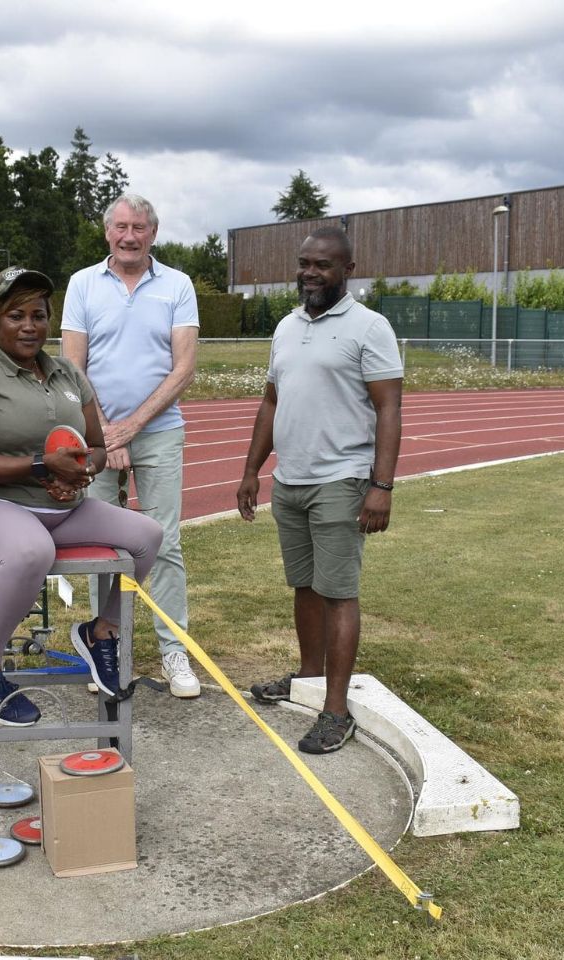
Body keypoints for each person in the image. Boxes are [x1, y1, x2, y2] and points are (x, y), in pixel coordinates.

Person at [0, 266, 164, 724]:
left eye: (38, 315)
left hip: (61, 507)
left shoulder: (67, 373)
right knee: (30, 552)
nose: (28, 325)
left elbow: (97, 447)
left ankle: (100, 633)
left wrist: (78, 472)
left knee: (148, 535)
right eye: (15, 315)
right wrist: (41, 466)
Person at [235, 226, 403, 755]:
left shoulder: (370, 328)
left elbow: (389, 409)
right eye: (304, 262)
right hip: (291, 481)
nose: (310, 272)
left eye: (323, 265)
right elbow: (271, 401)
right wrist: (250, 470)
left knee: (337, 592)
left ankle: (335, 710)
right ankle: (308, 680)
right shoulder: (285, 327)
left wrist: (381, 485)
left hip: (342, 480)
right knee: (304, 586)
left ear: (348, 271)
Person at [60, 194, 201, 699]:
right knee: (101, 547)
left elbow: (183, 367)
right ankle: (108, 645)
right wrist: (105, 432)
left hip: (160, 431)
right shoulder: (82, 284)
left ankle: (173, 650)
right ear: (107, 233)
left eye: (139, 227)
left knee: (164, 542)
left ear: (153, 233)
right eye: (120, 226)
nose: (129, 235)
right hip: (96, 436)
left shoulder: (178, 285)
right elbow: (73, 368)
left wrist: (132, 427)